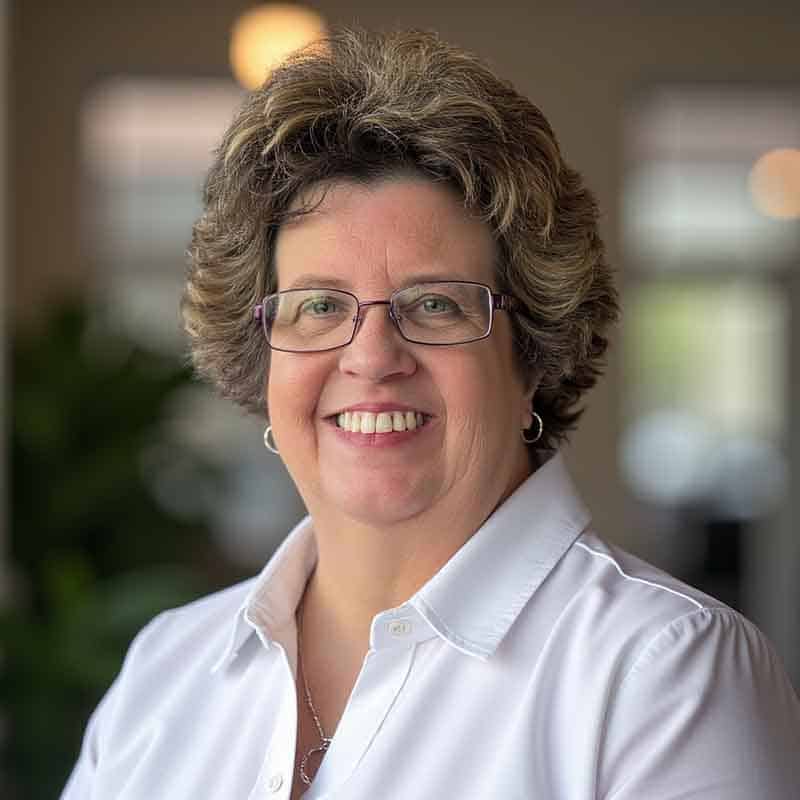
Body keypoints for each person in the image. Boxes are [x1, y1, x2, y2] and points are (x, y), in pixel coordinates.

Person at [62, 28, 800, 800]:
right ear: (263, 360)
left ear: (533, 360)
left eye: (436, 304)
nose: (373, 356)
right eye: (318, 304)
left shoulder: (663, 673)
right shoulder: (166, 669)